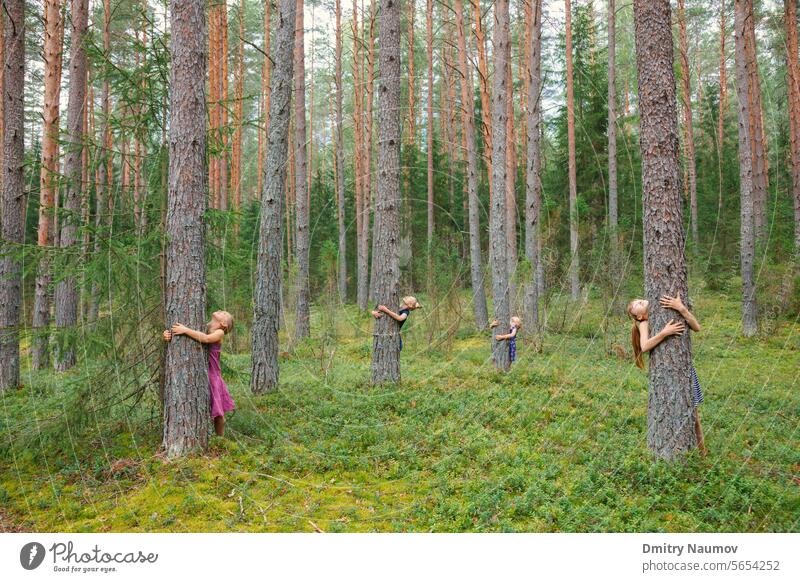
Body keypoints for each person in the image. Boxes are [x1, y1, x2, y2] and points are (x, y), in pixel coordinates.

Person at [627, 295, 706, 455]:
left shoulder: (670, 308)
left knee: (695, 418)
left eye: (640, 299)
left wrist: (681, 308)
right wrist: (665, 332)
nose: (643, 300)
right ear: (641, 316)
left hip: (685, 371)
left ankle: (703, 454)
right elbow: (644, 346)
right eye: (639, 304)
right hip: (666, 375)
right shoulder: (644, 323)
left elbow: (696, 327)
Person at [163, 310, 235, 437]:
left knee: (218, 413)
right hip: (203, 373)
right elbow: (193, 333)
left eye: (223, 313)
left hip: (212, 376)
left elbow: (206, 339)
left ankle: (220, 438)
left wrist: (185, 330)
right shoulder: (204, 326)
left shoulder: (219, 332)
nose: (220, 310)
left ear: (223, 323)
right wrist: (167, 335)